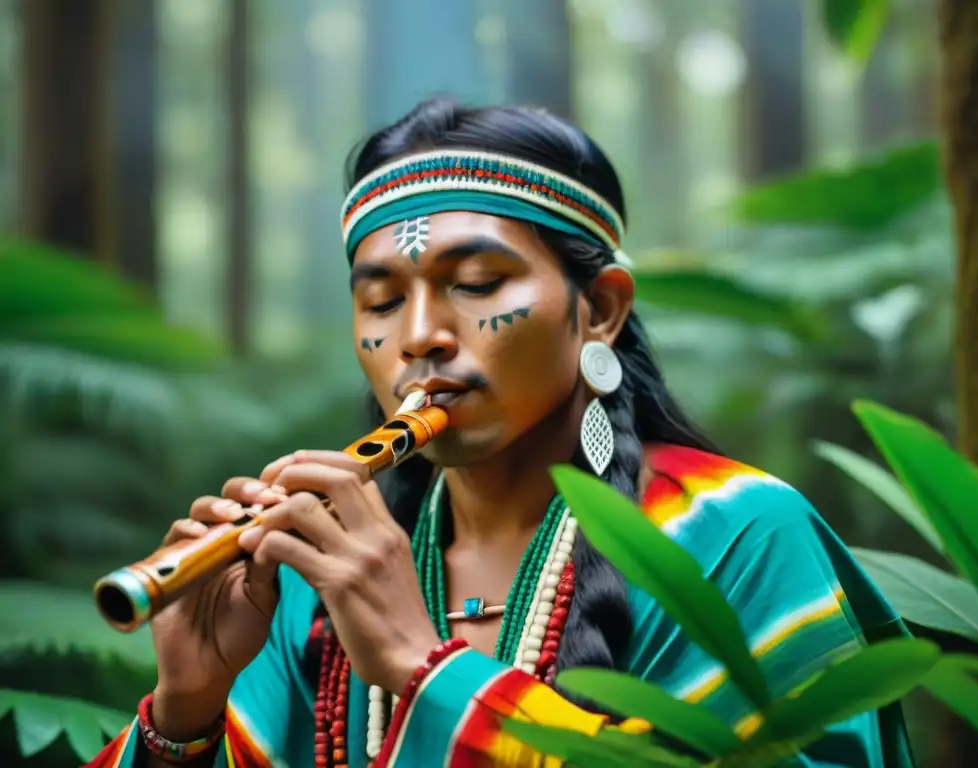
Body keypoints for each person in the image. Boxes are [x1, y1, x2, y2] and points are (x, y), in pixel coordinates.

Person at [87, 98, 914, 768]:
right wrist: (184, 714)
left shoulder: (736, 534)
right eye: (380, 302)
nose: (418, 336)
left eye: (477, 284)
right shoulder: (313, 578)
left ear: (599, 310)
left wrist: (426, 671)